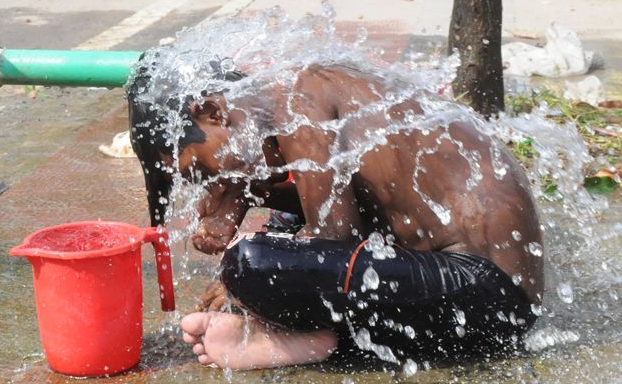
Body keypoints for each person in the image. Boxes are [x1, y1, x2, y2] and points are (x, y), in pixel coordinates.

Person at [128, 62, 544, 370]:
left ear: (215, 113)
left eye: (201, 170)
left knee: (251, 262)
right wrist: (252, 194)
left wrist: (245, 288)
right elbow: (358, 206)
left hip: (489, 297)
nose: (210, 184)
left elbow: (333, 237)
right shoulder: (292, 89)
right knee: (283, 231)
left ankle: (307, 340)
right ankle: (326, 338)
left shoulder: (296, 103)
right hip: (480, 293)